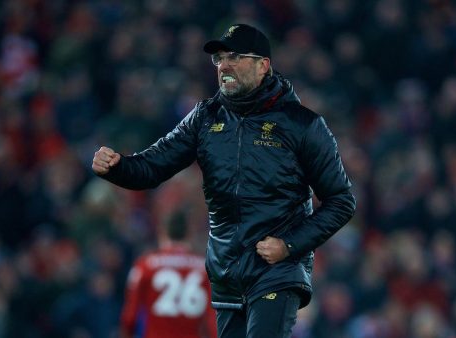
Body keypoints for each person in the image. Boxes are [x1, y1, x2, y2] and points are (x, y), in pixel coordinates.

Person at [93, 23, 356, 338]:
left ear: (263, 66)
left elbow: (341, 202)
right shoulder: (205, 117)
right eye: (218, 58)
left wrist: (288, 245)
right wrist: (119, 167)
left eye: (235, 57)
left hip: (276, 272)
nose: (224, 65)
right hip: (226, 272)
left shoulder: (303, 125)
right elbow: (153, 166)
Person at [119, 210, 217, 338]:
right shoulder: (205, 269)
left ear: (162, 232)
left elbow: (129, 319)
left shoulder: (145, 266)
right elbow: (213, 322)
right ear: (189, 233)